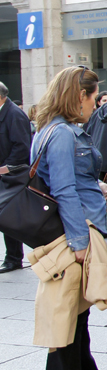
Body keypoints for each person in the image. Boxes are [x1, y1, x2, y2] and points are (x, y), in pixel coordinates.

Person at [30, 66, 107, 370]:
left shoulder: (51, 129)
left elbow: (66, 181)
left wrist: (96, 186)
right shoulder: (63, 134)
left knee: (76, 312)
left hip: (71, 228)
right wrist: (79, 242)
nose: (96, 104)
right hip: (75, 232)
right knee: (69, 314)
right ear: (80, 95)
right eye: (93, 97)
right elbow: (63, 189)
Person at [0, 80, 31, 274]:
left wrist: (5, 169)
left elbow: (21, 147)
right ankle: (11, 257)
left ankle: (13, 258)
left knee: (8, 217)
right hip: (4, 173)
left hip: (10, 175)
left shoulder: (14, 114)